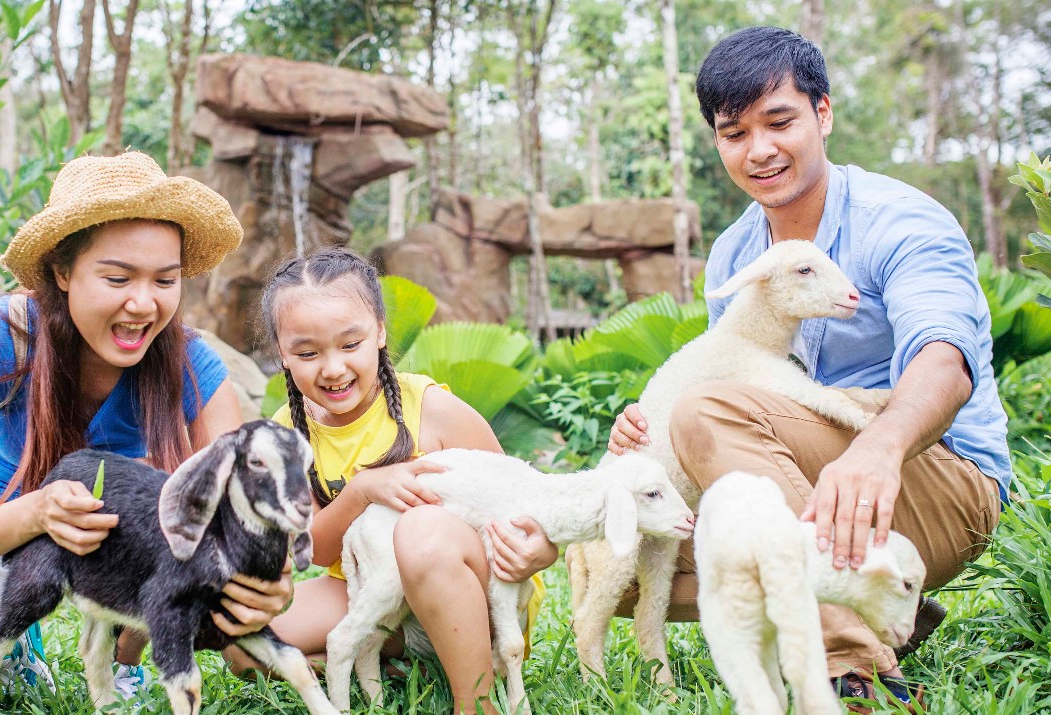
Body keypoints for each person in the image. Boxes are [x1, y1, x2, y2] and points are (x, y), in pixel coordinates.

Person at [606, 26, 1007, 709]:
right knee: (625, 551)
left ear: (823, 113)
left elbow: (945, 358)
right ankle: (878, 603)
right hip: (809, 486)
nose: (759, 150)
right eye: (735, 133)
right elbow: (728, 393)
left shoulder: (901, 220)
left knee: (705, 412)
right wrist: (648, 432)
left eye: (779, 122)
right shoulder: (736, 256)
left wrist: (879, 448)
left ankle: (854, 669)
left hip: (933, 475)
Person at [0, 151, 294, 714]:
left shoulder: (194, 368)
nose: (143, 303)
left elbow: (240, 516)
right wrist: (37, 513)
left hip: (121, 552)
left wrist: (272, 584)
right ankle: (19, 639)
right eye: (117, 278)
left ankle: (125, 659)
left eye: (165, 280)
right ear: (62, 272)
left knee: (218, 596)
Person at [236, 246, 557, 715]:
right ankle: (398, 668)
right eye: (307, 352)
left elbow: (523, 500)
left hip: (473, 594)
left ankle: (475, 703)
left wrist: (540, 551)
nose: (333, 368)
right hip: (374, 593)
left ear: (381, 331)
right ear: (282, 354)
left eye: (350, 345)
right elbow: (317, 552)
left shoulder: (432, 409)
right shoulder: (286, 434)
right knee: (243, 638)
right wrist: (362, 490)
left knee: (420, 529)